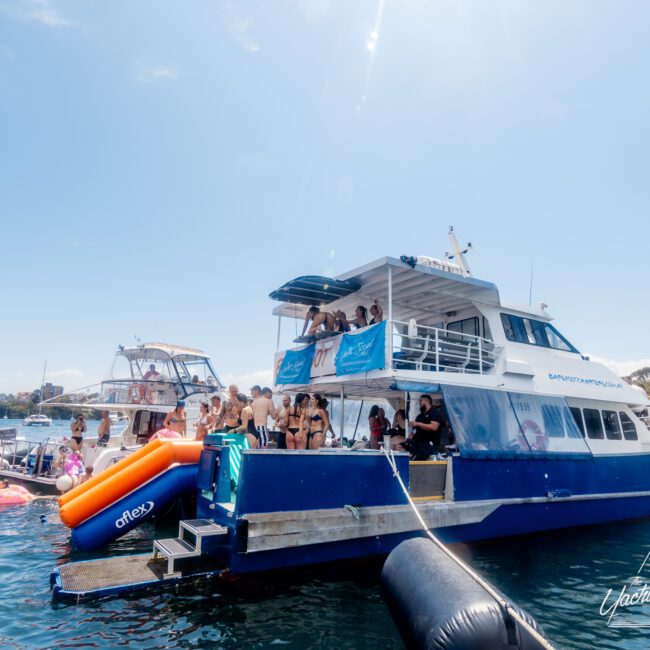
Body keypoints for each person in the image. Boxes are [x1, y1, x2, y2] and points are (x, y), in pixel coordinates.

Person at [407, 394, 443, 460]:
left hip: (429, 444)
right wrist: (409, 437)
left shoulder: (434, 413)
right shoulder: (419, 416)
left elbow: (434, 427)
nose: (419, 403)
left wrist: (418, 424)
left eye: (420, 401)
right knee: (399, 446)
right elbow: (414, 431)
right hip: (417, 442)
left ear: (426, 401)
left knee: (418, 457)